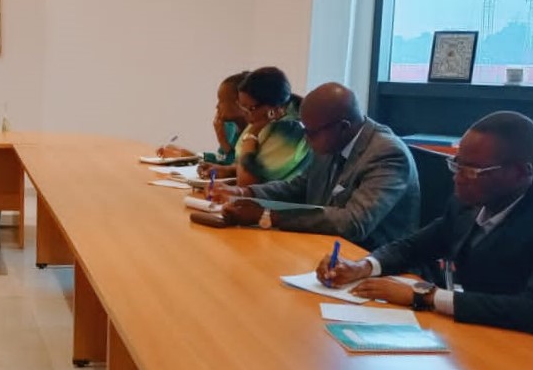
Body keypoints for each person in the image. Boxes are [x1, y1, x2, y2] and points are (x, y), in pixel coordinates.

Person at [316, 111, 533, 349]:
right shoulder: (467, 204)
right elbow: (413, 247)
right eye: (457, 165)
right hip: (475, 337)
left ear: (521, 172)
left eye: (472, 171)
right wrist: (363, 266)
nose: (458, 178)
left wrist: (426, 297)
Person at [213, 83, 420, 250]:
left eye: (311, 133)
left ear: (344, 127)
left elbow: (354, 222)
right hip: (323, 247)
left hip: (371, 261)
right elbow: (299, 187)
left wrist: (268, 216)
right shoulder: (331, 140)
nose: (306, 138)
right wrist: (244, 192)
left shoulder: (387, 155)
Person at [226, 67, 311, 186]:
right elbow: (248, 164)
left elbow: (247, 183)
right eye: (242, 106)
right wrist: (226, 170)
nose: (244, 114)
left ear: (271, 109)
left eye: (249, 108)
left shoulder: (290, 131)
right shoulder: (264, 120)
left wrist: (252, 134)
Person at [157, 71, 250, 169]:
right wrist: (193, 156)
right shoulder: (231, 127)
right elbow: (221, 159)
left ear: (240, 104)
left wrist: (223, 142)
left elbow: (237, 166)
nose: (217, 106)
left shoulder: (253, 133)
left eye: (221, 101)